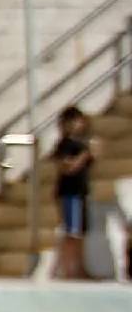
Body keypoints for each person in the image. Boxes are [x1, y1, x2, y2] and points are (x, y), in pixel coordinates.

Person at [50, 105, 97, 280]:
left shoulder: (81, 144)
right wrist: (84, 156)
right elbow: (66, 167)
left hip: (81, 192)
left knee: (79, 233)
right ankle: (70, 270)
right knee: (71, 233)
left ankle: (79, 268)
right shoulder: (64, 145)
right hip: (69, 193)